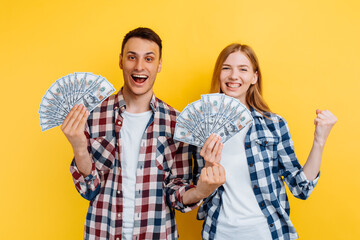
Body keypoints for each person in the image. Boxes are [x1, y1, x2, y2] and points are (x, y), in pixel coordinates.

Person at [61, 27, 224, 240]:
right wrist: (79, 147)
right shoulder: (92, 115)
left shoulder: (178, 123)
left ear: (159, 65)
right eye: (132, 57)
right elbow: (89, 190)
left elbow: (176, 193)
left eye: (149, 58)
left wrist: (201, 191)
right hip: (102, 233)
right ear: (121, 61)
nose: (139, 66)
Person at [196, 43, 337, 240]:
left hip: (268, 233)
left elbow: (300, 188)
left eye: (243, 69)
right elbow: (198, 193)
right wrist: (210, 166)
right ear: (218, 74)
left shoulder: (274, 125)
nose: (233, 76)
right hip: (219, 233)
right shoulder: (202, 128)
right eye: (226, 68)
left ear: (254, 77)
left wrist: (319, 140)